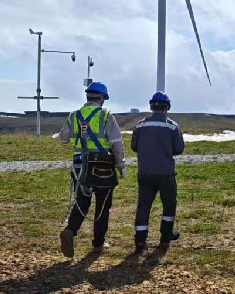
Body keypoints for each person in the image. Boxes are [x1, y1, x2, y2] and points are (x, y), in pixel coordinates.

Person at [57, 81, 128, 258]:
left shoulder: (74, 115)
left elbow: (63, 138)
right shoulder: (105, 116)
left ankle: (71, 230)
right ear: (102, 98)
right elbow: (116, 144)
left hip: (79, 165)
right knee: (103, 206)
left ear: (88, 96)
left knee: (81, 202)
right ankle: (98, 244)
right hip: (102, 167)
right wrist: (121, 166)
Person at [130, 91, 185, 252]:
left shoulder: (140, 125)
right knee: (169, 205)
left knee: (143, 207)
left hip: (145, 172)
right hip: (165, 173)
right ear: (167, 107)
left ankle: (140, 241)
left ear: (151, 106)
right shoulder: (172, 126)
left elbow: (134, 146)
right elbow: (179, 149)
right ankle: (165, 238)